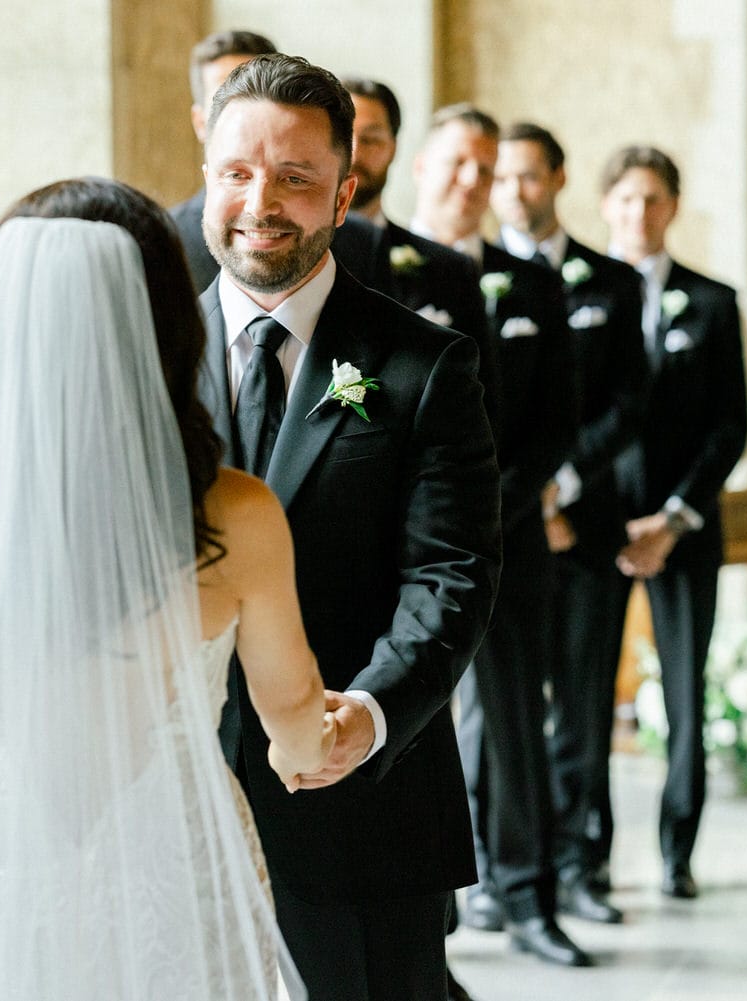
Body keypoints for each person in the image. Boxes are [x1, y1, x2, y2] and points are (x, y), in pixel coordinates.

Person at [0, 177, 338, 1000]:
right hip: (176, 852)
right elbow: (294, 716)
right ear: (166, 328)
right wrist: (319, 739)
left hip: (10, 852)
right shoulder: (236, 513)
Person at [197, 55, 501, 1000]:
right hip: (181, 809)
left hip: (366, 811)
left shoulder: (423, 366)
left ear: (344, 194)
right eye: (237, 172)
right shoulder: (140, 359)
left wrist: (365, 717)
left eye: (295, 177)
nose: (261, 201)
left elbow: (452, 575)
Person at [409, 103, 586, 968]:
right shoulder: (380, 269)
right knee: (416, 729)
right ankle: (429, 917)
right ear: (420, 167)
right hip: (407, 552)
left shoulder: (531, 283)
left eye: (488, 168)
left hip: (510, 536)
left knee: (518, 721)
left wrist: (501, 504)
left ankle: (528, 896)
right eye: (459, 165)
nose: (474, 183)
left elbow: (558, 416)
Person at [491, 121, 648, 925]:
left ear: (557, 178)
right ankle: (504, 868)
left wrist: (567, 477)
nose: (515, 192)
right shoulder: (473, 279)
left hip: (586, 523)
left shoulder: (613, 283)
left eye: (529, 176)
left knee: (584, 702)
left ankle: (582, 863)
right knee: (502, 710)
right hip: (508, 526)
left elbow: (630, 401)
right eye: (502, 178)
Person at [600, 144, 747, 899]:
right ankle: (588, 851)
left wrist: (673, 517)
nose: (639, 213)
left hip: (683, 530)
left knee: (684, 695)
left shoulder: (713, 302)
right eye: (626, 199)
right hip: (598, 530)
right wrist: (613, 519)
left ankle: (676, 851)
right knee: (588, 694)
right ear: (605, 207)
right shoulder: (576, 295)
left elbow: (732, 426)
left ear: (673, 207)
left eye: (653, 199)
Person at [339, 76, 497, 434]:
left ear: (395, 148)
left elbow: (481, 403)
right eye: (343, 134)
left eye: (371, 138)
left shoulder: (451, 268)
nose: (354, 150)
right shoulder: (288, 256)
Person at [171, 30, 383, 295]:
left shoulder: (368, 246)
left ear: (341, 200)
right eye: (237, 175)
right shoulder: (159, 334)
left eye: (294, 179)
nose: (259, 207)